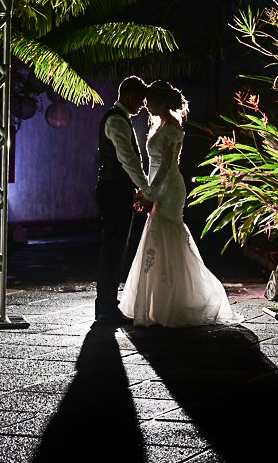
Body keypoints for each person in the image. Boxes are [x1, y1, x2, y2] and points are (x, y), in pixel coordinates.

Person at [119, 80, 243, 327]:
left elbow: (165, 166)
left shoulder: (173, 128)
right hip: (157, 186)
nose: (147, 105)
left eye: (150, 101)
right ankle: (159, 302)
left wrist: (150, 194)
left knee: (168, 236)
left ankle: (176, 300)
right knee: (157, 239)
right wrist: (146, 190)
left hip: (169, 188)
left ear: (162, 103)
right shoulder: (160, 124)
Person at [94, 76, 151, 323]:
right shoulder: (116, 121)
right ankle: (106, 307)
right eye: (140, 99)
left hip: (117, 188)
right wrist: (145, 187)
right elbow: (128, 159)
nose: (142, 105)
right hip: (114, 188)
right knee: (114, 249)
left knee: (116, 248)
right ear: (130, 96)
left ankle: (107, 306)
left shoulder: (119, 119)